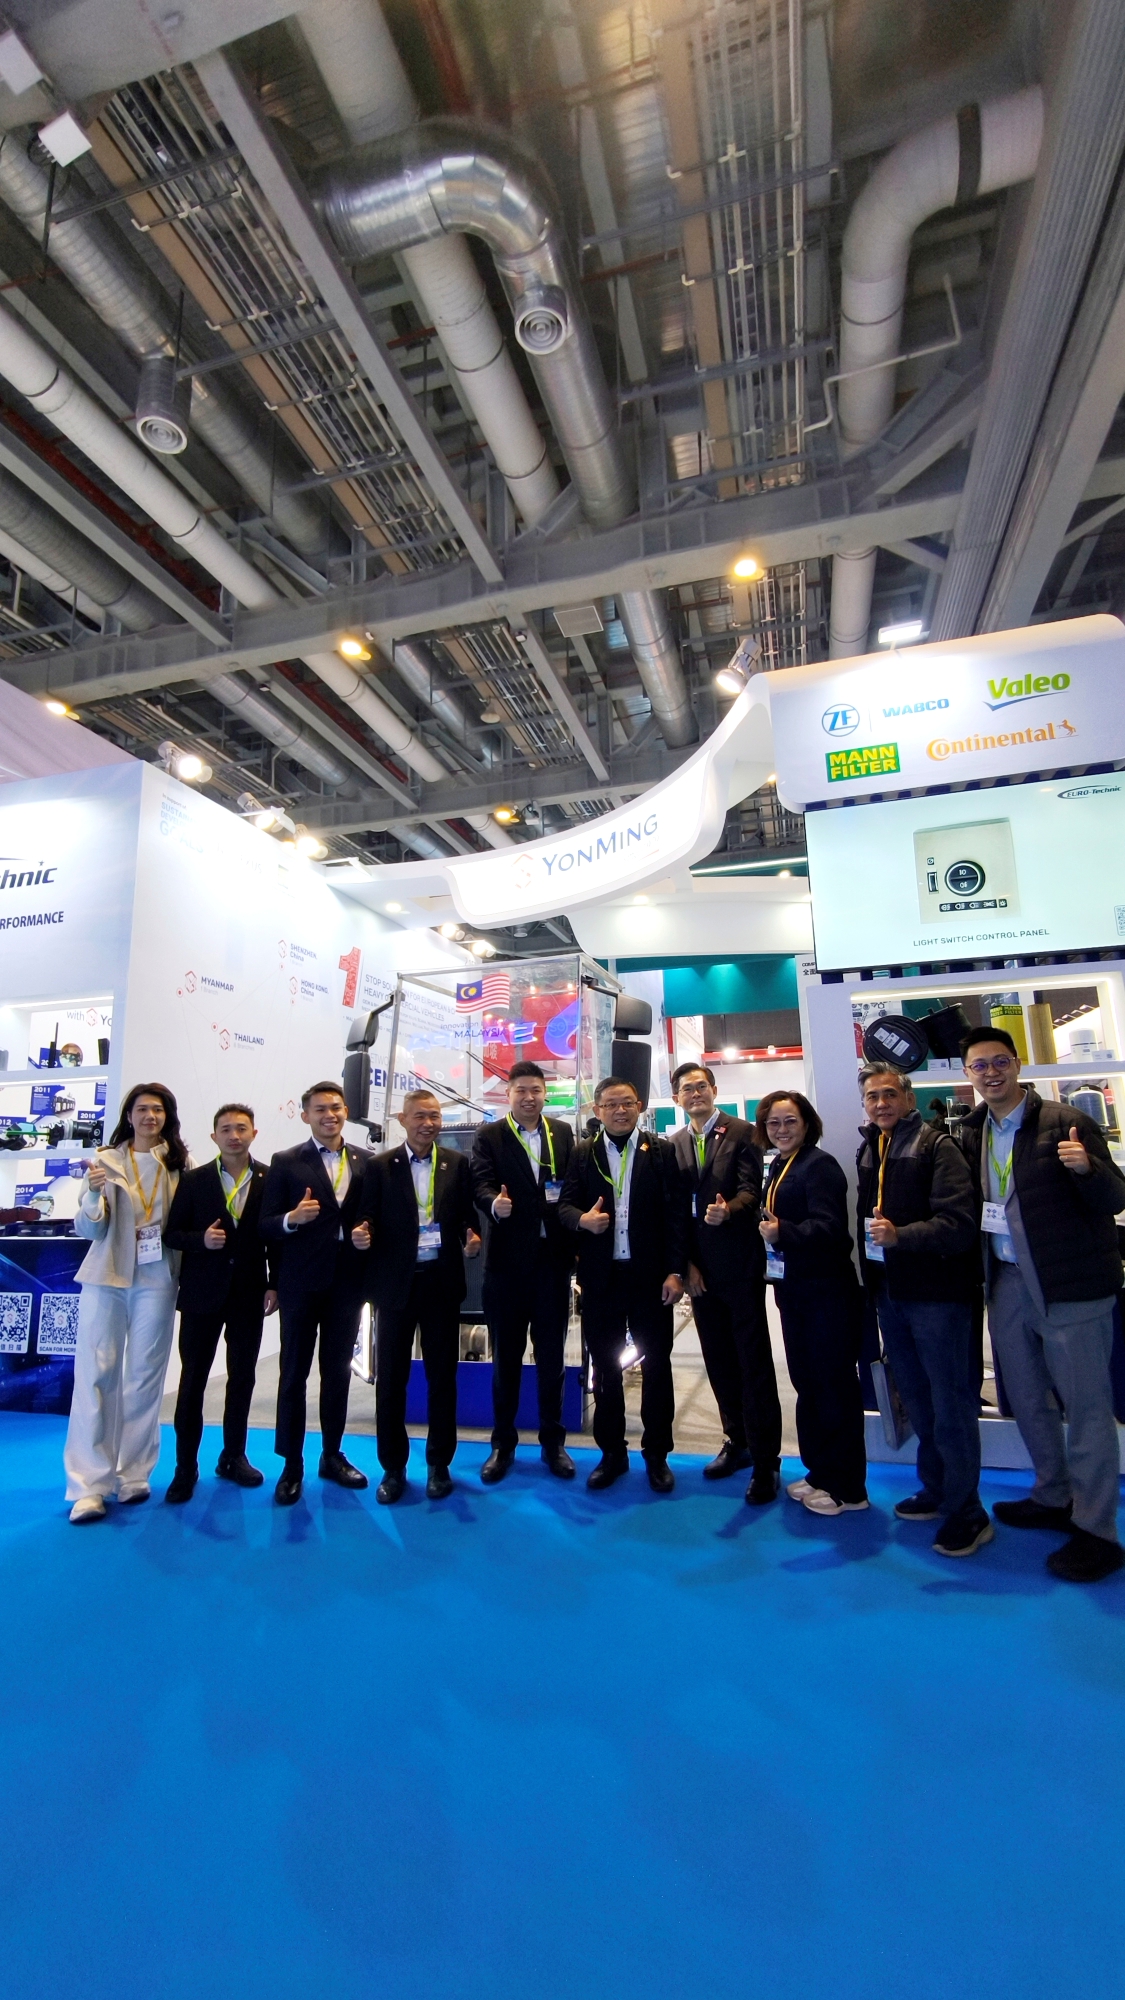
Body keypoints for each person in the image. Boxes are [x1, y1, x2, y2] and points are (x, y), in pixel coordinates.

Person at [959, 1026, 1125, 1583]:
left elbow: (1115, 1197)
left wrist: (1088, 1169)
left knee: (1087, 1409)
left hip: (1069, 1286)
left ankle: (1097, 1530)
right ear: (969, 1074)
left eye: (999, 1061)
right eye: (979, 1065)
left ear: (1017, 1064)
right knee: (1028, 1399)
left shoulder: (1065, 1121)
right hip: (1006, 1282)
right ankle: (1053, 1494)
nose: (991, 1073)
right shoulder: (974, 1131)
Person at [856, 1061, 991, 1556]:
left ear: (909, 1099)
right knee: (916, 1398)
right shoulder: (871, 1148)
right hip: (892, 1294)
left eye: (890, 1094)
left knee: (951, 1403)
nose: (881, 1104)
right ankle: (937, 1488)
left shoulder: (937, 1146)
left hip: (938, 1297)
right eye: (872, 1097)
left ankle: (968, 1511)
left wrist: (902, 1236)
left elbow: (959, 1223)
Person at [65, 1082, 192, 1523]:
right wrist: (93, 1194)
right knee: (95, 1376)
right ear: (129, 1115)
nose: (149, 1116)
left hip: (157, 1279)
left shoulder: (180, 1164)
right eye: (141, 1109)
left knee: (144, 1377)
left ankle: (134, 1473)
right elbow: (89, 1229)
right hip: (107, 1277)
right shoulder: (104, 1161)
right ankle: (89, 1485)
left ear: (167, 1117)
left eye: (158, 1109)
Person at [559, 1076, 687, 1492]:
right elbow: (564, 1206)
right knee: (606, 1368)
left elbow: (675, 1216)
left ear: (639, 1107)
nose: (620, 1110)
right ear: (597, 1111)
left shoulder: (661, 1151)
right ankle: (612, 1453)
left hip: (650, 1278)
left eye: (628, 1103)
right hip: (602, 1279)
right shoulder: (583, 1153)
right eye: (611, 1104)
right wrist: (582, 1220)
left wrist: (676, 1271)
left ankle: (657, 1454)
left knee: (657, 1365)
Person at [355, 1090, 481, 1503]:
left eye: (434, 1116)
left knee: (442, 1378)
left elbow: (465, 1216)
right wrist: (362, 1231)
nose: (428, 1124)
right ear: (403, 1120)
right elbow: (367, 1214)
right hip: (395, 1286)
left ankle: (439, 1464)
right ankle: (393, 1468)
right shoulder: (379, 1166)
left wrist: (471, 1236)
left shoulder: (456, 1163)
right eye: (420, 1116)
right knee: (391, 1380)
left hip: (441, 1285)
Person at [670, 1061, 781, 1501]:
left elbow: (753, 1190)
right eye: (687, 1089)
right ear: (677, 1098)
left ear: (714, 1090)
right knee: (717, 1361)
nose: (695, 1094)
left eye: (701, 1086)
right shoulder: (675, 1143)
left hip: (739, 1267)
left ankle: (767, 1461)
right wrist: (685, 1265)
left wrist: (728, 1210)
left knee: (753, 1363)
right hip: (700, 1275)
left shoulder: (743, 1132)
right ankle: (737, 1441)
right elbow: (675, 1212)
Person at [260, 1081, 373, 1506]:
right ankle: (292, 1464)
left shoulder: (366, 1161)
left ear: (346, 1113)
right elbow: (265, 1224)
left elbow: (375, 1217)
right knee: (293, 1374)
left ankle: (332, 1454)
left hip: (348, 1283)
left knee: (337, 1372)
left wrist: (368, 1235)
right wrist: (292, 1218)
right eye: (321, 1109)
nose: (330, 1115)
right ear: (305, 1115)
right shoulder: (286, 1162)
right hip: (300, 1282)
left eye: (337, 1108)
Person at [756, 1090, 867, 1516]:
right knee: (808, 1384)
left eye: (790, 1121)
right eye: (774, 1123)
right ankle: (821, 1470)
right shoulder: (781, 1164)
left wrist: (784, 1231)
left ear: (807, 1124)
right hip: (795, 1291)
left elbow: (832, 1229)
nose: (781, 1129)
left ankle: (848, 1488)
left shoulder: (819, 1165)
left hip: (827, 1293)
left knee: (834, 1386)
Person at [162, 1102, 278, 1501]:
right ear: (214, 1136)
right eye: (226, 1129)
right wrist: (201, 1240)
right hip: (202, 1294)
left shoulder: (269, 1178)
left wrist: (275, 1283)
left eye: (241, 1128)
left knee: (242, 1379)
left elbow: (275, 1238)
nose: (234, 1135)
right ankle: (185, 1468)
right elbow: (172, 1234)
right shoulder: (194, 1180)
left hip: (249, 1294)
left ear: (254, 1134)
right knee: (192, 1381)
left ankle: (233, 1457)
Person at [470, 1061, 577, 1483]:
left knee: (552, 1360)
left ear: (545, 1093)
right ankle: (503, 1445)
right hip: (506, 1268)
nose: (529, 1097)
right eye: (521, 1091)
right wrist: (492, 1204)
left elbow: (571, 1188)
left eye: (535, 1090)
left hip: (552, 1265)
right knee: (506, 1362)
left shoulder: (562, 1133)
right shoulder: (490, 1135)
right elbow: (479, 1183)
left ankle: (553, 1444)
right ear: (508, 1094)